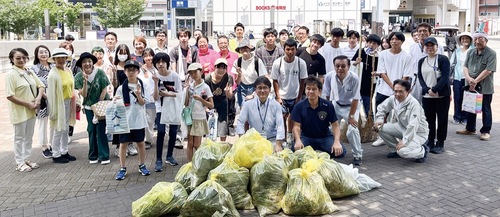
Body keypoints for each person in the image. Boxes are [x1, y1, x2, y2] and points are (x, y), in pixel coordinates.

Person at [6, 48, 45, 172]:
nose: (21, 60)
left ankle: (27, 158)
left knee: (29, 136)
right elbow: (10, 96)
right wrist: (27, 104)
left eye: (24, 57)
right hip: (19, 111)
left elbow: (41, 85)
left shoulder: (29, 71)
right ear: (12, 59)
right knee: (19, 138)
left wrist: (38, 99)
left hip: (32, 109)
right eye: (18, 58)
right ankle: (19, 162)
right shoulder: (11, 75)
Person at [372, 32, 413, 147]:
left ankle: (396, 137)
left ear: (402, 41)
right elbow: (382, 72)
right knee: (380, 113)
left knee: (397, 115)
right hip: (383, 90)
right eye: (392, 39)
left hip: (400, 92)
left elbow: (406, 75)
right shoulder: (383, 54)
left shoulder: (407, 56)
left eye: (397, 39)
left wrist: (398, 89)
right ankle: (380, 136)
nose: (394, 41)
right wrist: (393, 87)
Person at [374, 79, 430, 163]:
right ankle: (395, 149)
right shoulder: (393, 99)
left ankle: (423, 151)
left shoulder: (414, 104)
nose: (397, 94)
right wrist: (380, 120)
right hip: (402, 127)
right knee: (379, 128)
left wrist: (405, 141)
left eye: (401, 91)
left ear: (408, 91)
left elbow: (413, 125)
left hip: (417, 133)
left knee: (403, 152)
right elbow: (381, 108)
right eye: (395, 91)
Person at [291, 76, 347, 159]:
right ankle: (315, 152)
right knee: (294, 150)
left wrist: (336, 142)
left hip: (324, 137)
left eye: (314, 89)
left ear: (320, 91)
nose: (310, 91)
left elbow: (335, 125)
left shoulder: (328, 105)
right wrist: (298, 140)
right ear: (305, 90)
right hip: (306, 137)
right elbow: (296, 127)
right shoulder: (298, 107)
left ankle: (316, 152)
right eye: (308, 89)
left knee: (340, 152)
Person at [456, 32, 496, 141]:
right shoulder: (471, 52)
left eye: (481, 39)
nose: (478, 41)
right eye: (476, 39)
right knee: (470, 107)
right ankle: (470, 128)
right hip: (471, 84)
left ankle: (485, 131)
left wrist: (476, 81)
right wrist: (469, 79)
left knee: (485, 108)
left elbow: (488, 70)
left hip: (485, 86)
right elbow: (465, 66)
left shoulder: (491, 53)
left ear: (486, 41)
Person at [114, 60, 151, 180]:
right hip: (125, 120)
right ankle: (122, 168)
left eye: (133, 69)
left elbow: (143, 102)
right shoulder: (121, 88)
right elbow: (117, 104)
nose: (131, 72)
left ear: (138, 71)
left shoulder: (142, 85)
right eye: (128, 69)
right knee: (123, 144)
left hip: (139, 120)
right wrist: (116, 100)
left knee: (140, 143)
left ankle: (142, 165)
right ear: (124, 72)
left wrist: (139, 94)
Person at [325, 56, 363, 165]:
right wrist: (329, 111)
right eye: (337, 66)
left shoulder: (354, 78)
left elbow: (356, 98)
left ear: (349, 66)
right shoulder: (329, 77)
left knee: (352, 130)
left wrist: (351, 117)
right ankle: (335, 149)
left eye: (343, 66)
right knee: (330, 128)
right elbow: (327, 95)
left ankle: (358, 155)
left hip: (351, 107)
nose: (340, 69)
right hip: (336, 105)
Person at [74, 52, 111, 165]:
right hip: (88, 107)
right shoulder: (78, 77)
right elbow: (83, 94)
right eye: (85, 62)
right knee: (91, 129)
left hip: (101, 105)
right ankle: (93, 155)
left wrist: (98, 105)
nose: (87, 64)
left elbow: (105, 88)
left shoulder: (99, 72)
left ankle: (104, 155)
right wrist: (85, 81)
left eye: (89, 61)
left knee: (101, 129)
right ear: (81, 64)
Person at [417, 37, 451, 154]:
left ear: (437, 47)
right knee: (429, 120)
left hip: (441, 96)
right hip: (427, 97)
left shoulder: (443, 59)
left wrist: (435, 89)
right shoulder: (421, 61)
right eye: (427, 46)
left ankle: (440, 142)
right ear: (424, 47)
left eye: (432, 46)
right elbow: (420, 77)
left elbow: (445, 77)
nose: (430, 48)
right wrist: (427, 89)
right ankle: (430, 140)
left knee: (442, 120)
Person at [271, 38, 308, 146]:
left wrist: (299, 97)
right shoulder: (278, 63)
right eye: (288, 49)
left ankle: (291, 135)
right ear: (284, 49)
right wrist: (278, 96)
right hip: (282, 95)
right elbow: (275, 80)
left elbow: (302, 81)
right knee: (282, 116)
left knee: (294, 116)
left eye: (292, 49)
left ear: (296, 50)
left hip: (295, 95)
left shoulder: (301, 63)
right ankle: (283, 136)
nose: (290, 52)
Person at [237, 76, 285, 152]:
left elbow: (280, 126)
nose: (262, 90)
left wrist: (278, 144)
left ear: (269, 90)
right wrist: (241, 139)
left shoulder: (276, 105)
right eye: (259, 88)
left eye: (265, 88)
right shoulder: (248, 105)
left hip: (272, 140)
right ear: (255, 90)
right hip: (254, 141)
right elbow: (240, 122)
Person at [153, 52, 182, 171]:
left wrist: (167, 94)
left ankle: (169, 155)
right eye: (158, 62)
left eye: (163, 62)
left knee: (173, 132)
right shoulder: (154, 77)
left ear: (167, 63)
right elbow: (155, 97)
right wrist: (155, 83)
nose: (160, 64)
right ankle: (158, 159)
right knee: (160, 132)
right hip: (161, 108)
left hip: (173, 107)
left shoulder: (175, 76)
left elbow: (179, 93)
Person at [47, 48, 77, 164]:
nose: (61, 60)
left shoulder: (68, 71)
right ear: (54, 59)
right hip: (59, 103)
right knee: (58, 129)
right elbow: (51, 94)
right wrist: (53, 109)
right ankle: (56, 153)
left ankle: (64, 151)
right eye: (58, 58)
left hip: (68, 102)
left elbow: (71, 87)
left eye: (63, 57)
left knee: (66, 128)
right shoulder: (53, 74)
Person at [111, 44, 138, 157]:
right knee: (119, 120)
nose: (123, 55)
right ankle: (119, 146)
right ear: (117, 54)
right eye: (120, 52)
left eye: (125, 52)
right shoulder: (114, 67)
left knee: (130, 120)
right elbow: (115, 85)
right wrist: (113, 73)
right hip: (119, 96)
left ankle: (130, 143)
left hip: (130, 96)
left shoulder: (130, 66)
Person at [409, 23, 445, 104]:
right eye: (420, 31)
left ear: (430, 33)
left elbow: (443, 66)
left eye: (425, 31)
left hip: (433, 79)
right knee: (416, 103)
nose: (422, 33)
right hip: (417, 80)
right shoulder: (412, 48)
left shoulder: (439, 47)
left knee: (430, 105)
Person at [184, 63, 214, 162]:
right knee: (190, 143)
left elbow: (211, 105)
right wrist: (186, 90)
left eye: (195, 72)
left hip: (199, 118)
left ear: (201, 72)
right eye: (191, 73)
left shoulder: (205, 87)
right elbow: (186, 103)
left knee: (197, 144)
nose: (193, 75)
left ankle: (200, 162)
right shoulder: (190, 86)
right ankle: (190, 165)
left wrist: (201, 99)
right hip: (190, 118)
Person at [31, 45, 54, 158]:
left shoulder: (54, 66)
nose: (44, 54)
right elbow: (36, 85)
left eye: (46, 51)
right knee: (42, 123)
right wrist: (46, 96)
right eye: (41, 52)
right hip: (43, 99)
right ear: (36, 54)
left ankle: (53, 143)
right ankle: (44, 147)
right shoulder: (33, 69)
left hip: (55, 97)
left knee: (54, 122)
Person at [205, 58, 234, 141]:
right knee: (210, 125)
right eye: (219, 67)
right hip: (211, 101)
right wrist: (206, 107)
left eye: (224, 68)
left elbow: (230, 96)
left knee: (223, 124)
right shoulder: (208, 79)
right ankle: (210, 145)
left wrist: (227, 92)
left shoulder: (228, 77)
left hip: (222, 101)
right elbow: (204, 94)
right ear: (215, 67)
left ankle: (222, 145)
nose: (221, 70)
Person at [352, 34, 381, 115]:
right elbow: (351, 64)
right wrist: (356, 62)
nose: (371, 45)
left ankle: (369, 119)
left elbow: (381, 70)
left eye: (374, 43)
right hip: (359, 79)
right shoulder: (361, 51)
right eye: (370, 42)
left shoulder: (379, 56)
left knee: (368, 102)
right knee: (355, 100)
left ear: (378, 45)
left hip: (370, 82)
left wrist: (377, 73)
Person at [233, 39, 267, 107]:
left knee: (254, 111)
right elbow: (237, 82)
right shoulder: (237, 61)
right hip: (242, 89)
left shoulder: (257, 61)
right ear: (239, 50)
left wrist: (253, 95)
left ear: (250, 49)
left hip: (255, 88)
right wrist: (239, 75)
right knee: (243, 111)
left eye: (246, 48)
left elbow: (262, 80)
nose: (244, 50)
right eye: (242, 48)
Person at [217, 35, 239, 136]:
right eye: (221, 43)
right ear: (218, 45)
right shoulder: (215, 56)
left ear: (228, 44)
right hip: (219, 87)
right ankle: (222, 127)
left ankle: (230, 126)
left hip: (232, 86)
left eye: (225, 43)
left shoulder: (234, 56)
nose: (223, 45)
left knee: (231, 107)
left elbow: (237, 70)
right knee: (220, 108)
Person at [450, 32, 473, 125]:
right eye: (463, 39)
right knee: (457, 98)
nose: (465, 40)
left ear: (470, 40)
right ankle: (457, 116)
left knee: (467, 99)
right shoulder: (456, 51)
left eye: (467, 38)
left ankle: (465, 117)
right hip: (457, 78)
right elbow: (451, 63)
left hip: (468, 78)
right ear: (460, 40)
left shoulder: (473, 50)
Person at [138, 48, 157, 149]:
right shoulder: (140, 70)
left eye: (150, 55)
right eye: (145, 56)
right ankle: (148, 140)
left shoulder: (157, 68)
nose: (148, 58)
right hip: (145, 98)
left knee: (154, 119)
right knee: (148, 120)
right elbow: (141, 83)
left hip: (156, 98)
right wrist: (144, 73)